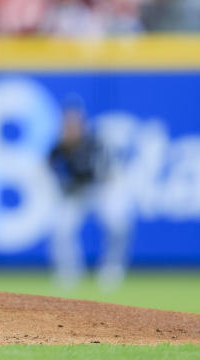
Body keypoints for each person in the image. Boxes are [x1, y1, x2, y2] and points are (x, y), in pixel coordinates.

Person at [47, 97, 131, 291]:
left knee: (118, 224)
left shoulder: (93, 143)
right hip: (75, 194)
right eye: (68, 122)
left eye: (75, 122)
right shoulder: (58, 148)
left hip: (100, 190)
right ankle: (68, 274)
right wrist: (62, 185)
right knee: (61, 229)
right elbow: (51, 172)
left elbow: (105, 172)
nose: (71, 126)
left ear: (81, 123)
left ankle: (112, 271)